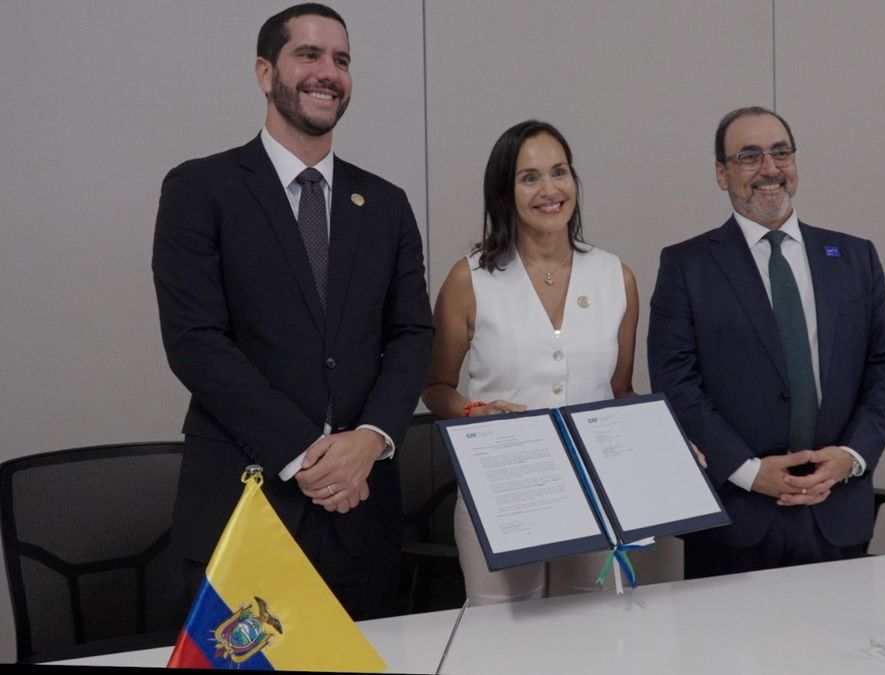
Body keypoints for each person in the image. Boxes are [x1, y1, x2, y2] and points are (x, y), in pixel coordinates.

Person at [152, 3, 432, 619]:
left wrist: (372, 439)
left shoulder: (385, 203)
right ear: (264, 72)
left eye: (341, 59)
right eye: (308, 54)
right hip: (244, 504)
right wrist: (307, 452)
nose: (327, 72)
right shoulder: (200, 190)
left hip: (363, 511)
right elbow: (196, 341)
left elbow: (412, 334)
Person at [647, 106, 885, 579]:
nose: (769, 168)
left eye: (780, 152)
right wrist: (747, 471)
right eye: (748, 156)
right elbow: (674, 380)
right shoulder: (687, 267)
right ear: (721, 174)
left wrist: (851, 458)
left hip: (835, 509)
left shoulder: (853, 257)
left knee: (839, 651)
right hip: (733, 520)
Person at [423, 120, 671, 604]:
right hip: (501, 493)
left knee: (588, 638)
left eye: (559, 172)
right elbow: (436, 387)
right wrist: (475, 410)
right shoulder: (470, 278)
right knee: (504, 642)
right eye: (529, 177)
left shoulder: (615, 277)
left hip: (596, 494)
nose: (550, 189)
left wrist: (665, 440)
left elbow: (620, 392)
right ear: (504, 192)